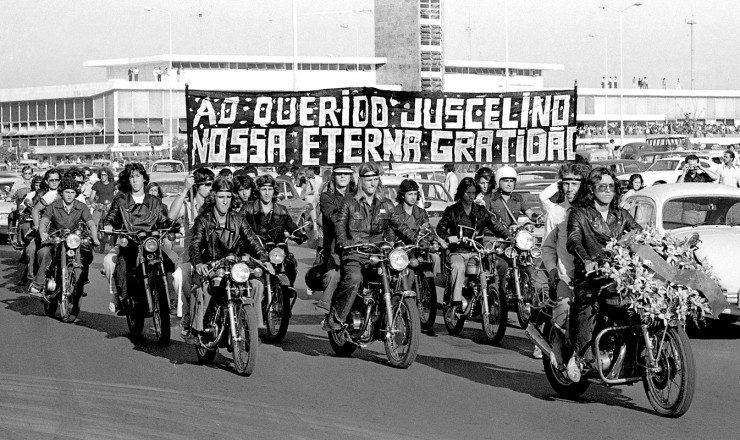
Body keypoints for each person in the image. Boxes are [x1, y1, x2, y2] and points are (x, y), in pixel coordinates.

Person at [566, 167, 641, 382]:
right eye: (602, 186)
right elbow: (573, 240)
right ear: (592, 189)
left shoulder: (622, 216)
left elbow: (640, 236)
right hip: (591, 276)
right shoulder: (580, 214)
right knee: (588, 306)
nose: (607, 191)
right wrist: (587, 260)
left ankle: (633, 355)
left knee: (638, 308)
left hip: (620, 276)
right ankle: (581, 356)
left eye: (611, 187)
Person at [324, 162, 418, 330]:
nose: (373, 183)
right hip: (355, 253)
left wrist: (416, 239)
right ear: (361, 181)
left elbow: (400, 225)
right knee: (354, 278)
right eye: (369, 180)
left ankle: (400, 314)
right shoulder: (349, 202)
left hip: (379, 253)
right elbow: (340, 225)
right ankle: (337, 316)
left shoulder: (386, 204)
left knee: (400, 273)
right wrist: (344, 242)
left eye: (375, 179)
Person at [188, 177, 270, 336]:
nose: (224, 201)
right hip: (212, 265)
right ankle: (196, 330)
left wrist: (264, 259)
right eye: (221, 197)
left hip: (236, 265)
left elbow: (252, 240)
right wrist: (199, 263)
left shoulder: (239, 219)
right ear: (213, 197)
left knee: (257, 285)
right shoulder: (203, 220)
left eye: (228, 197)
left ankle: (251, 328)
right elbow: (195, 244)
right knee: (203, 289)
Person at [102, 163, 177, 314]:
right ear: (128, 180)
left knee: (168, 262)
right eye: (131, 177)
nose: (135, 180)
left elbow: (163, 219)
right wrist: (109, 224)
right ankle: (122, 300)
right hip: (130, 243)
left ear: (144, 179)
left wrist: (173, 225)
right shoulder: (121, 200)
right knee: (121, 267)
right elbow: (111, 217)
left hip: (151, 243)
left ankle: (171, 300)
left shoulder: (155, 201)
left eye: (138, 176)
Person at [436, 177, 510, 319]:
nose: (471, 196)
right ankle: (455, 303)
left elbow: (494, 225)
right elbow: (440, 229)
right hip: (458, 251)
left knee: (500, 264)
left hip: (477, 251)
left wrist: (508, 236)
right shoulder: (452, 211)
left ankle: (498, 297)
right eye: (468, 193)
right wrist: (449, 237)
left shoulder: (481, 211)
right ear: (461, 193)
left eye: (473, 193)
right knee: (458, 267)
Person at [29, 177, 100, 298]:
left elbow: (91, 223)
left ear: (76, 194)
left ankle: (80, 281)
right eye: (67, 192)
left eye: (72, 192)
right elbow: (44, 222)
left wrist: (95, 238)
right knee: (44, 253)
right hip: (55, 237)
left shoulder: (81, 206)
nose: (69, 195)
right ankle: (38, 284)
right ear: (62, 192)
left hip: (73, 238)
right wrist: (43, 234)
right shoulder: (53, 206)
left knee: (87, 252)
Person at [168, 167, 215, 341]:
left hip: (214, 255)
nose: (211, 189)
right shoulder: (188, 206)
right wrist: (185, 189)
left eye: (212, 184)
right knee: (180, 276)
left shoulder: (216, 204)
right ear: (198, 186)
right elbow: (172, 215)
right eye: (207, 185)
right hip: (192, 256)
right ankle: (187, 315)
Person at [242, 174, 308, 289]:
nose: (267, 193)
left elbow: (290, 225)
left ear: (274, 191)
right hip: (256, 250)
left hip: (277, 250)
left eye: (270, 189)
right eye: (263, 189)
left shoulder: (281, 209)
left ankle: (288, 290)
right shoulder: (248, 208)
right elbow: (239, 225)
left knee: (290, 264)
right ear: (258, 190)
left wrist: (299, 234)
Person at [314, 165, 355, 311]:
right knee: (334, 275)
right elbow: (335, 218)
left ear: (351, 177)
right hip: (336, 247)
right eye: (339, 174)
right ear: (334, 177)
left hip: (359, 245)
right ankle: (328, 306)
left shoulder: (358, 195)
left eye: (346, 174)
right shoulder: (327, 197)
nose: (343, 177)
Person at [394, 179, 442, 292]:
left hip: (418, 248)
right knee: (408, 272)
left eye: (415, 194)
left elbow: (427, 229)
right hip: (402, 250)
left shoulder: (421, 212)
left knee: (435, 258)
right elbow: (392, 233)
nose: (413, 197)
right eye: (410, 194)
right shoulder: (395, 212)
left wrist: (432, 241)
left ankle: (432, 288)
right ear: (402, 195)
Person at [25, 168, 63, 285]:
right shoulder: (42, 193)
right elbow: (35, 210)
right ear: (46, 181)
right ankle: (35, 278)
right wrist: (37, 226)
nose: (54, 182)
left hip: (62, 228)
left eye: (57, 180)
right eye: (51, 180)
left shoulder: (66, 191)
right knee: (31, 250)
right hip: (45, 228)